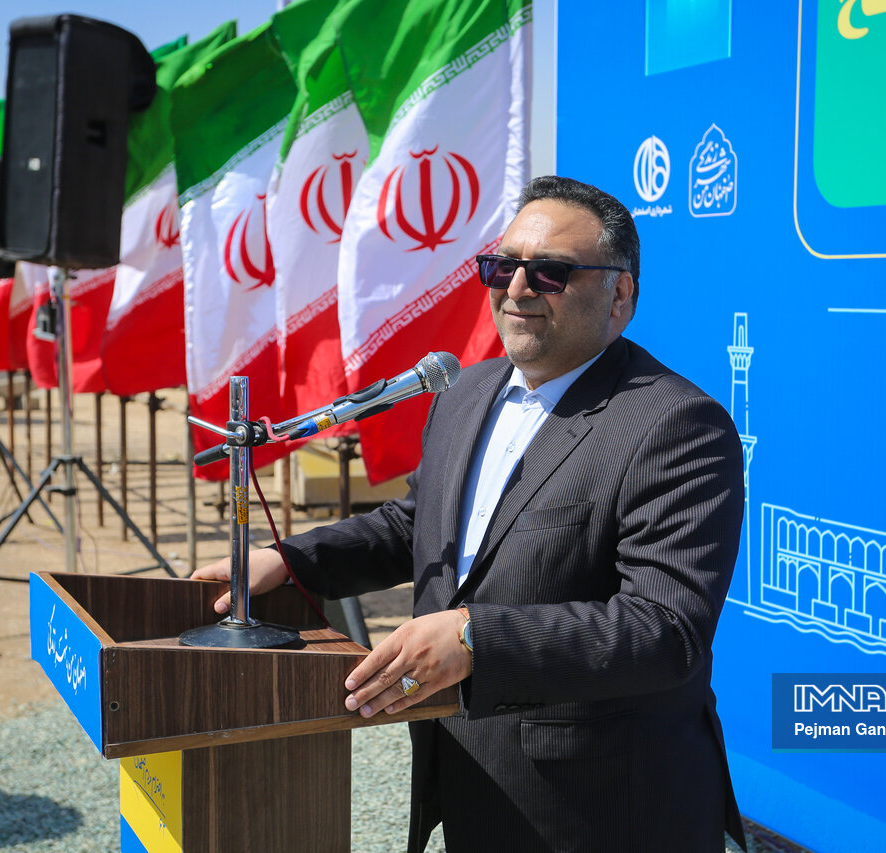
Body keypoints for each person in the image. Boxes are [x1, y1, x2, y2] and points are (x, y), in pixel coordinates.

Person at [192, 175, 748, 853]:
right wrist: (290, 561)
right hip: (470, 771)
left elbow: (664, 629)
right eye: (502, 266)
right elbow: (418, 527)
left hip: (600, 805)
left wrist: (475, 637)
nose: (517, 288)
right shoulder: (467, 390)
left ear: (620, 294)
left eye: (550, 272)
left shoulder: (676, 425)